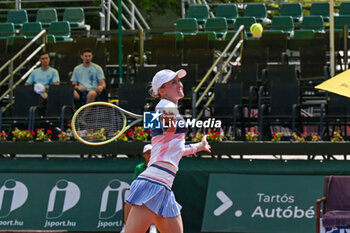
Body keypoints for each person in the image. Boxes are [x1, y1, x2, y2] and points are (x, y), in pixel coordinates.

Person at [124, 69, 211, 233]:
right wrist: (166, 121)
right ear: (161, 91)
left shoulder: (165, 108)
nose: (179, 85)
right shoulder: (165, 104)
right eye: (173, 82)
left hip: (164, 186)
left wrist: (198, 147)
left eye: (179, 81)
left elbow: (175, 149)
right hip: (153, 183)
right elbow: (170, 127)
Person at [121, 144, 157, 233]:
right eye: (147, 153)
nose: (150, 155)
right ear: (144, 155)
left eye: (152, 153)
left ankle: (152, 226)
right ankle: (126, 226)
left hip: (153, 193)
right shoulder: (139, 167)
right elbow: (135, 183)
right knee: (129, 202)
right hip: (140, 192)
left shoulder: (157, 167)